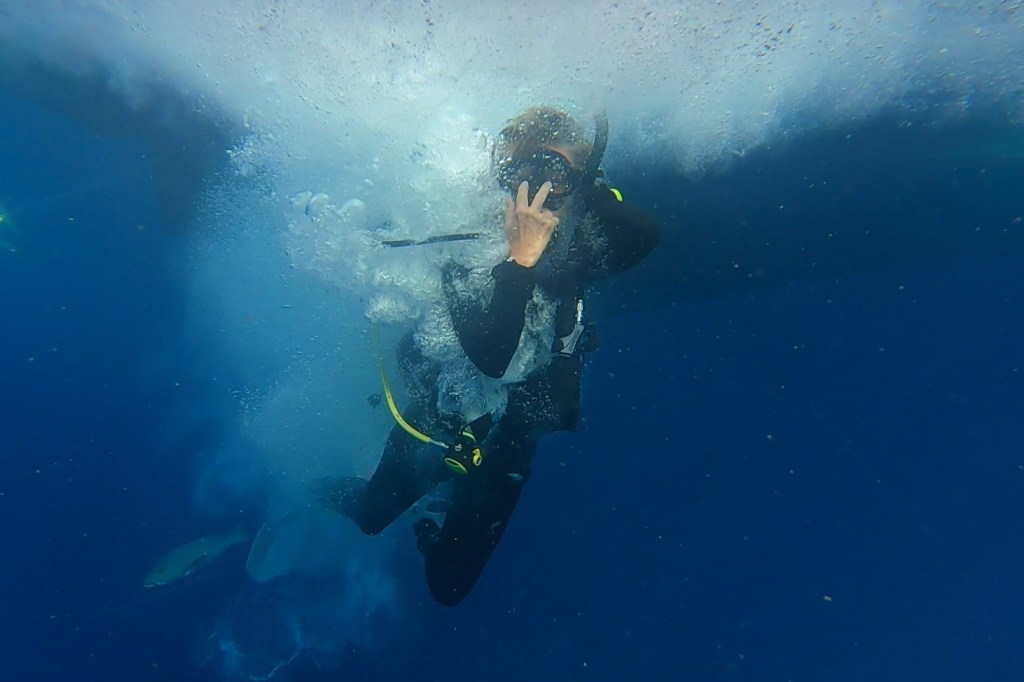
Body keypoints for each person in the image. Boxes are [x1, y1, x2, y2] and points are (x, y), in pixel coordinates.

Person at [318, 106, 660, 606]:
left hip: (514, 433)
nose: (536, 191)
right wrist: (520, 261)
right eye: (523, 173)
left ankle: (429, 530)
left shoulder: (579, 237)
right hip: (445, 417)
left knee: (449, 587)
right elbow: (491, 359)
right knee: (371, 518)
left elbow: (647, 233)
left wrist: (580, 195)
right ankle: (310, 493)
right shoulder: (465, 240)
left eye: (555, 173)